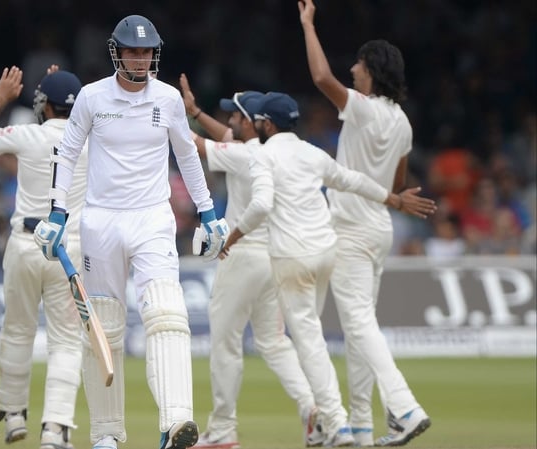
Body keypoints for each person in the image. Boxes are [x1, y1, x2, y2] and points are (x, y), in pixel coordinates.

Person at [33, 15, 228, 449]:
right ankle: (105, 435)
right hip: (101, 220)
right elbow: (66, 153)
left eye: (146, 51)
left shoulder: (169, 99)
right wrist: (57, 213)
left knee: (167, 313)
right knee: (104, 326)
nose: (140, 59)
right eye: (132, 51)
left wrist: (209, 211)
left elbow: (188, 156)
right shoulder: (91, 97)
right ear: (116, 52)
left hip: (153, 218)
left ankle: (176, 421)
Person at [221, 92, 436, 448]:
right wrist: (393, 199)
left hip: (292, 257)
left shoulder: (262, 155)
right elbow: (353, 180)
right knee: (313, 335)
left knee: (309, 342)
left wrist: (232, 236)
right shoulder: (312, 152)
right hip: (326, 252)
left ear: (266, 125)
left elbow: (260, 205)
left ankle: (336, 425)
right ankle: (335, 425)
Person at [299, 0, 433, 445]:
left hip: (351, 229)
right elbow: (397, 183)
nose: (353, 68)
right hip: (378, 228)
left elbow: (321, 79)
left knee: (357, 325)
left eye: (358, 62)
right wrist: (397, 198)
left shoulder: (361, 108)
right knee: (360, 329)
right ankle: (361, 427)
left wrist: (308, 25)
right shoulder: (403, 123)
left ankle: (406, 408)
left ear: (371, 71)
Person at [179, 75, 324, 448]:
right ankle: (311, 408)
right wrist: (194, 111)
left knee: (225, 342)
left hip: (241, 256)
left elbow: (200, 146)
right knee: (274, 342)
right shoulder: (269, 151)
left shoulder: (245, 155)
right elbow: (224, 141)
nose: (229, 121)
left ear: (252, 121)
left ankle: (223, 431)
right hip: (274, 258)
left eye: (236, 116)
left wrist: (165, 116)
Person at [0, 64, 87, 449]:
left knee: (17, 331)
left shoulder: (28, 134)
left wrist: (2, 98)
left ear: (44, 106)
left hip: (24, 244)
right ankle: (54, 429)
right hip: (66, 249)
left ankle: (15, 415)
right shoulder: (91, 140)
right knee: (67, 342)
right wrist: (60, 87)